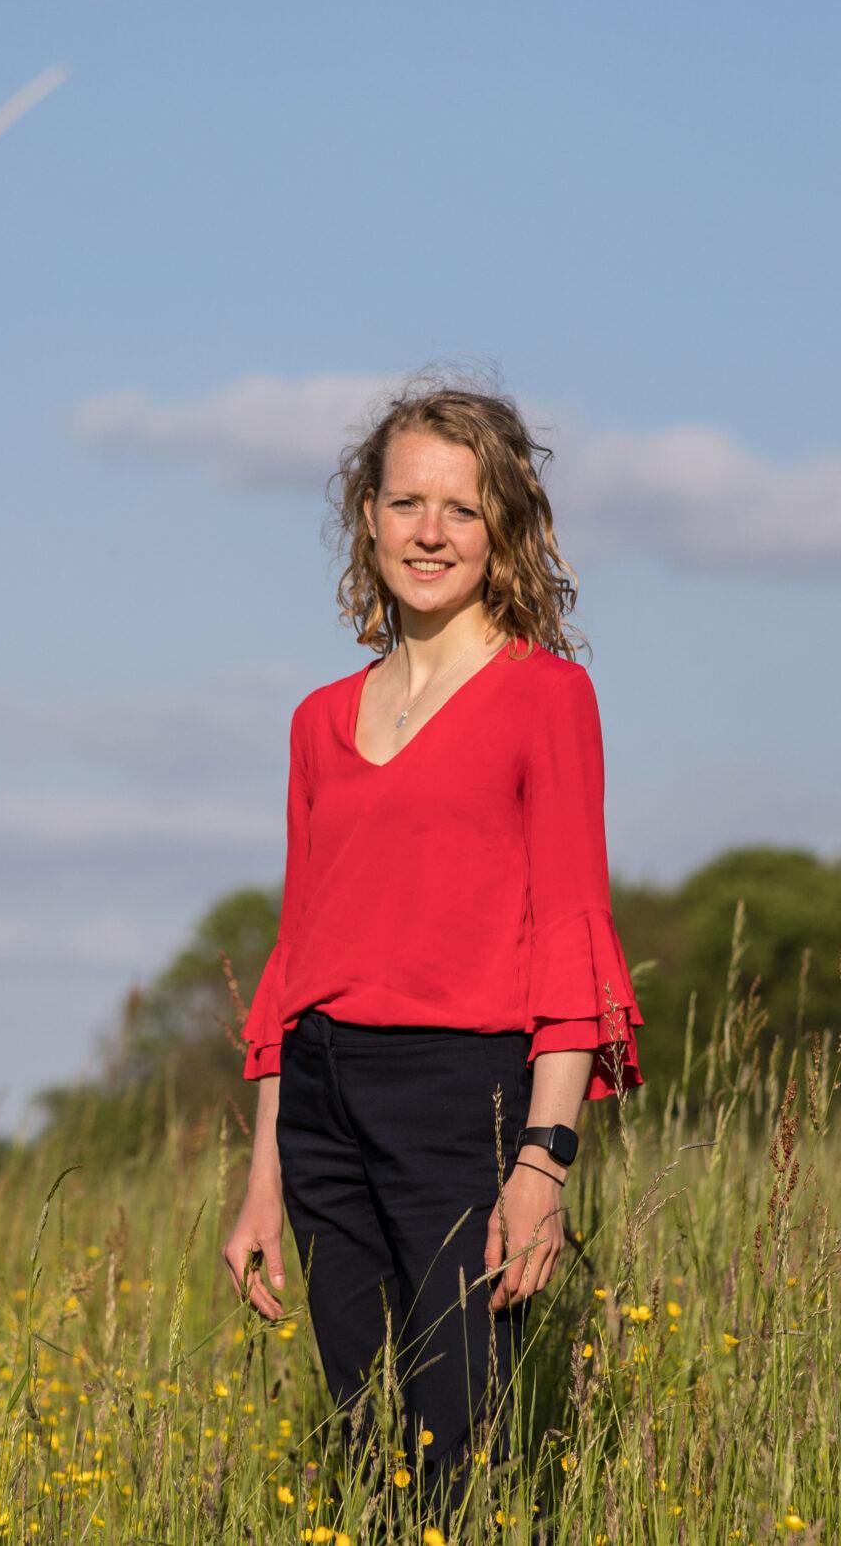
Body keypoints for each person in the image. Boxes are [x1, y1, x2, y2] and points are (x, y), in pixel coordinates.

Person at [220, 382, 645, 1518]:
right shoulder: (319, 719)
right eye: (404, 503)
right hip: (319, 1104)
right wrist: (262, 1177)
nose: (429, 532)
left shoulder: (543, 700)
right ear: (366, 516)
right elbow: (295, 955)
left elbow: (571, 936)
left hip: (462, 1099)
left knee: (455, 1444)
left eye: (459, 509)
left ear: (503, 525)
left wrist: (543, 1162)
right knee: (368, 1448)